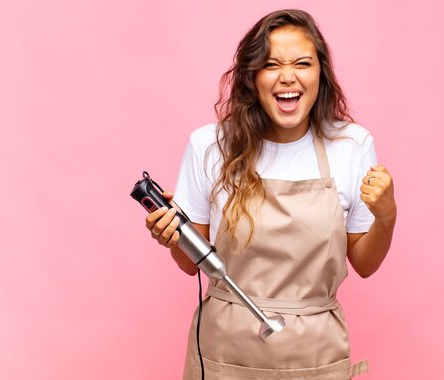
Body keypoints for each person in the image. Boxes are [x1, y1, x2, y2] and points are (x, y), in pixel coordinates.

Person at [145, 9, 397, 379]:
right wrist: (172, 237)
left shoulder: (352, 145)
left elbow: (365, 263)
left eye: (302, 63)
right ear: (252, 77)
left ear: (320, 74)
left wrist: (387, 216)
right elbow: (190, 264)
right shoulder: (209, 146)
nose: (288, 77)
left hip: (315, 352)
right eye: (271, 64)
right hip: (226, 350)